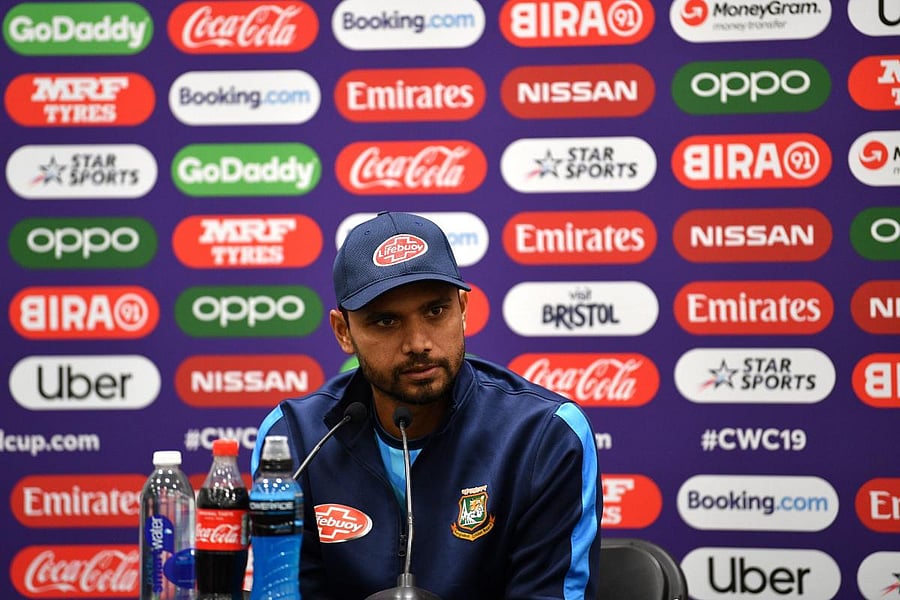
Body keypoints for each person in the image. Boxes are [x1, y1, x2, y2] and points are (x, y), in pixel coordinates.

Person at [252, 211, 602, 599]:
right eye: (386, 321)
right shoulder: (293, 440)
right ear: (343, 332)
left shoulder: (543, 436)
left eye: (436, 311)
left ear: (463, 309)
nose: (418, 342)